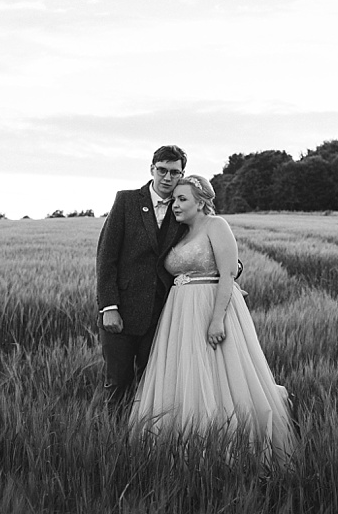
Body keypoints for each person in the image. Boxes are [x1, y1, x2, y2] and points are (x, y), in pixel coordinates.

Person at [128, 175, 295, 458]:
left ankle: (231, 443)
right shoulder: (178, 233)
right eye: (174, 200)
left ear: (202, 202)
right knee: (185, 373)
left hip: (211, 307)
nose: (176, 206)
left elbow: (228, 272)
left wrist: (217, 320)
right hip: (179, 312)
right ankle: (184, 442)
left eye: (183, 200)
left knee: (221, 374)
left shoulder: (216, 225)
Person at [96, 145, 187, 413]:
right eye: (162, 170)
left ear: (182, 174)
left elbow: (206, 243)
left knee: (152, 384)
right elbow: (106, 257)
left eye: (175, 172)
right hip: (122, 312)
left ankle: (144, 440)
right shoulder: (126, 201)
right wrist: (109, 307)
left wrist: (232, 269)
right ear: (152, 169)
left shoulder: (183, 207)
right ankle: (113, 441)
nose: (168, 178)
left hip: (162, 314)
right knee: (118, 382)